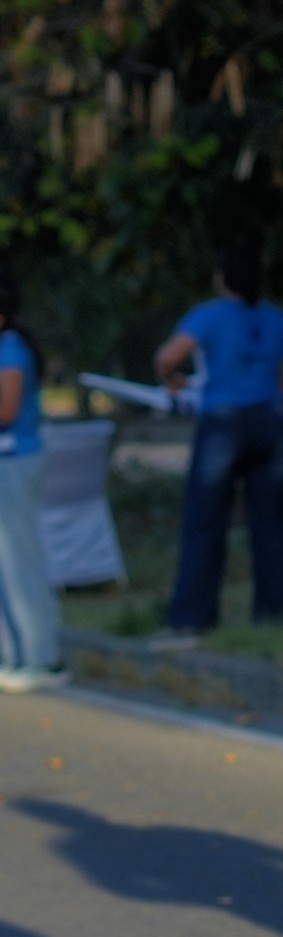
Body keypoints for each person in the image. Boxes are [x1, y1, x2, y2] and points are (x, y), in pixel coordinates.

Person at [151, 243, 283, 644]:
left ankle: (192, 619)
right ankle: (279, 613)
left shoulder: (211, 316)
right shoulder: (280, 321)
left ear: (222, 279)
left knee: (204, 521)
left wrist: (175, 382)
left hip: (223, 422)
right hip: (271, 422)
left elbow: (168, 358)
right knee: (272, 523)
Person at [0, 270, 68, 694]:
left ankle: (41, 657)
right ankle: (15, 655)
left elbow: (6, 411)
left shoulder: (11, 349)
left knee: (20, 562)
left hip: (15, 462)